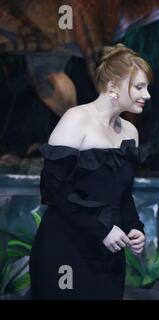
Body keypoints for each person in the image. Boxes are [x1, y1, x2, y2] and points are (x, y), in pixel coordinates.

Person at [30, 44, 150, 299]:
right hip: (65, 249)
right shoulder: (76, 119)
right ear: (112, 87)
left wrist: (134, 227)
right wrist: (103, 228)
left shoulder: (130, 132)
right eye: (139, 87)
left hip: (107, 255)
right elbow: (55, 188)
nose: (147, 95)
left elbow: (122, 194)